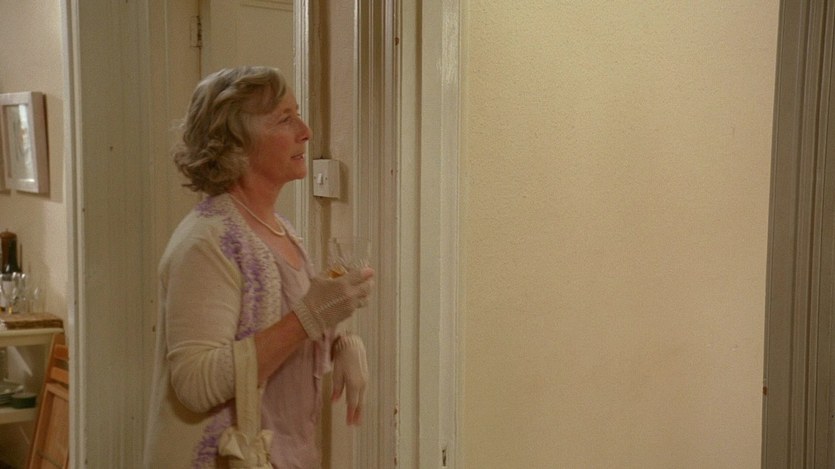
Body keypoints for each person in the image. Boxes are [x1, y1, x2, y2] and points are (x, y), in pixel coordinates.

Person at [143, 66, 374, 468]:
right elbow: (195, 384)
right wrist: (311, 316)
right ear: (236, 142)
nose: (306, 131)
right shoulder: (207, 242)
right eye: (285, 119)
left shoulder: (279, 228)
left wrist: (341, 344)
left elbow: (282, 332)